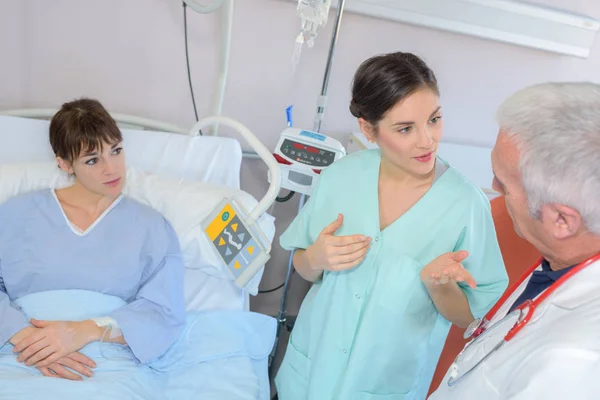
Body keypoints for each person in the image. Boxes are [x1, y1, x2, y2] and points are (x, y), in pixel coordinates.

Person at [274, 52, 508, 399]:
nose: (426, 140)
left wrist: (440, 286)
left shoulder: (466, 205)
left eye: (434, 119)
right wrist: (317, 258)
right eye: (405, 129)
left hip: (385, 385)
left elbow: (470, 318)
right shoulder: (341, 177)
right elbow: (304, 269)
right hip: (311, 375)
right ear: (369, 129)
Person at [429, 82, 600, 399]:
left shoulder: (575, 364)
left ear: (561, 221)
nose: (493, 186)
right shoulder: (560, 260)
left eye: (504, 183)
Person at [0, 98, 186, 381]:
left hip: (107, 360)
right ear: (64, 164)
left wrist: (84, 330)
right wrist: (27, 337)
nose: (111, 169)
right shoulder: (14, 214)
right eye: (92, 160)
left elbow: (163, 311)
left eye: (116, 151)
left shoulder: (151, 227)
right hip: (19, 353)